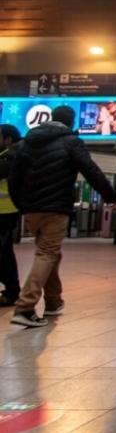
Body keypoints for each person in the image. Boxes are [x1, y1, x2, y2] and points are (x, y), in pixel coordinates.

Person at [8, 106, 116, 328]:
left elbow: (14, 178)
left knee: (51, 254)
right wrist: (110, 196)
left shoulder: (26, 143)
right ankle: (25, 307)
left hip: (30, 209)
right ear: (71, 122)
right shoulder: (70, 142)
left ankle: (53, 301)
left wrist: (21, 204)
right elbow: (91, 170)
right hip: (55, 209)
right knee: (47, 254)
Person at [0, 125, 23, 307]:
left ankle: (12, 291)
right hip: (6, 211)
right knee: (6, 255)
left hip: (5, 211)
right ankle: (12, 291)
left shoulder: (11, 156)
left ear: (8, 140)